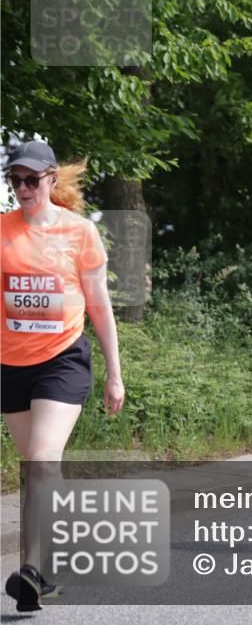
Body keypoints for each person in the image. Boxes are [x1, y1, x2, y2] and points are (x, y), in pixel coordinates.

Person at [2, 141, 125, 612]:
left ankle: (31, 570)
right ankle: (46, 571)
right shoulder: (2, 231)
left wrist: (114, 373)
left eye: (32, 179)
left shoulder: (78, 233)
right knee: (39, 470)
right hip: (10, 366)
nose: (23, 188)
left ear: (52, 180)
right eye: (16, 180)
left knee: (40, 458)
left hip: (62, 360)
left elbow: (99, 304)